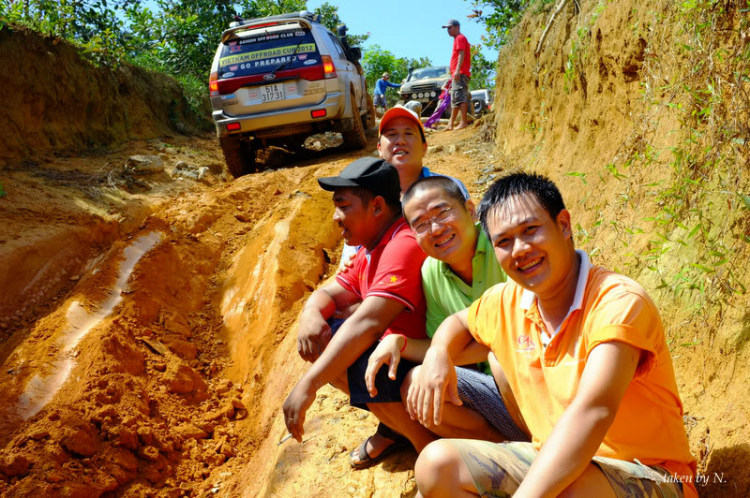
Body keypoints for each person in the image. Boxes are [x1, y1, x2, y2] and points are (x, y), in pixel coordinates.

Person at [409, 172, 698, 498]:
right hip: (554, 461)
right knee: (436, 464)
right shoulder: (507, 300)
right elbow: (458, 323)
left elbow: (594, 411)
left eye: (530, 230)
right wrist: (438, 354)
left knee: (565, 486)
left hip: (649, 475)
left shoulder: (617, 301)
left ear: (563, 224)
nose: (519, 249)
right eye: (503, 242)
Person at [282, 157, 437, 470]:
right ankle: (397, 427)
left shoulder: (402, 244)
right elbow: (332, 293)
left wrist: (308, 385)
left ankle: (430, 449)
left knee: (357, 352)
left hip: (434, 365)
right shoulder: (372, 247)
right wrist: (311, 310)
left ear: (377, 207)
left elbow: (367, 324)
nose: (336, 218)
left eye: (344, 206)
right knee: (323, 336)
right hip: (402, 357)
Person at [362, 176, 529, 449]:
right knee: (418, 384)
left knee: (500, 363)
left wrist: (454, 353)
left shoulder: (504, 244)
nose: (436, 229)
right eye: (421, 224)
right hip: (497, 392)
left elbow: (519, 337)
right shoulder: (431, 271)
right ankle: (511, 452)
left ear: (471, 210)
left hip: (539, 378)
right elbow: (440, 346)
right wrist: (399, 343)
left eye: (442, 213)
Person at [442, 19, 471, 131]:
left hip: (461, 73)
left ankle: (463, 122)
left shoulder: (460, 38)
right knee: (455, 98)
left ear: (457, 27)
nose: (448, 30)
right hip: (457, 73)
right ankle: (450, 124)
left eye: (450, 28)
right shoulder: (457, 39)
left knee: (461, 97)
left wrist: (458, 70)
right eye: (447, 28)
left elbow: (461, 54)